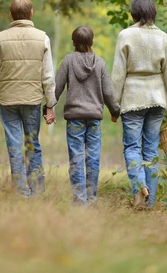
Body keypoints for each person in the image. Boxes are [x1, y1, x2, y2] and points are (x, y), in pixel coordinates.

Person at [0, 0, 56, 197]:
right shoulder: (43, 37)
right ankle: (37, 192)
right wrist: (50, 104)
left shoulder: (2, 37)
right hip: (33, 99)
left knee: (14, 146)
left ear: (11, 15)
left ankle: (21, 192)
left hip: (8, 101)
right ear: (31, 14)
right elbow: (48, 76)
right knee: (33, 144)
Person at [111, 0, 167, 209]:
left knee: (132, 147)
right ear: (153, 12)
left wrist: (114, 105)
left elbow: (118, 75)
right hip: (157, 100)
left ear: (134, 13)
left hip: (133, 100)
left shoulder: (125, 35)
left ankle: (139, 188)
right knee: (151, 151)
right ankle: (150, 200)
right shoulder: (162, 37)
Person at [54, 26, 120, 205]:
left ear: (73, 42)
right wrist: (115, 111)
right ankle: (91, 198)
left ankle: (80, 199)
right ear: (92, 42)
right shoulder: (100, 63)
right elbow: (108, 92)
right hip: (94, 118)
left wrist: (48, 106)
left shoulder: (68, 61)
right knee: (93, 157)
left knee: (76, 157)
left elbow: (57, 88)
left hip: (74, 117)